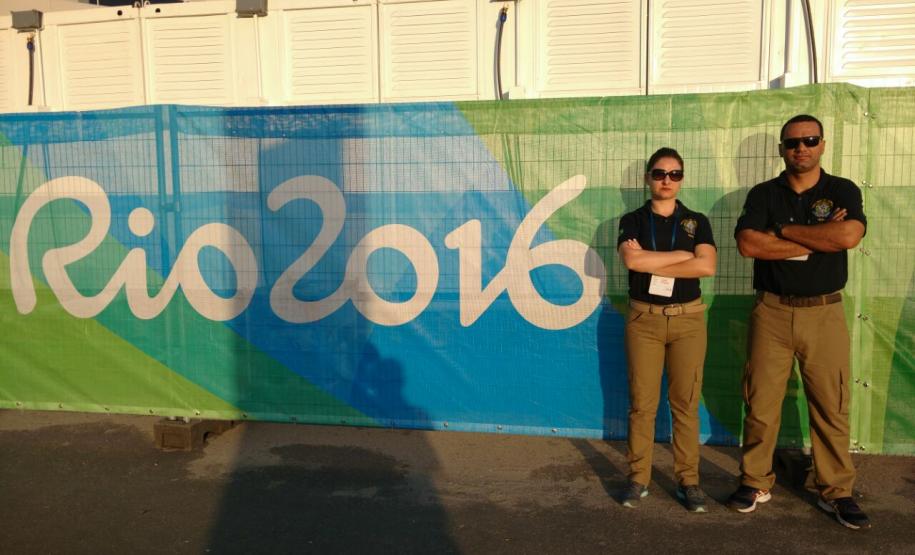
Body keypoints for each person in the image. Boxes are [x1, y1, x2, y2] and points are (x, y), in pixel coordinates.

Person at [729, 114, 870, 530]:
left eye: (809, 140)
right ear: (781, 149)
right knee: (760, 404)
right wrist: (816, 234)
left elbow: (847, 237)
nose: (801, 148)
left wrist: (786, 231)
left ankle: (837, 491)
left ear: (822, 144)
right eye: (792, 143)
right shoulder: (763, 194)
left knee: (830, 405)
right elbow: (748, 244)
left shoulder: (841, 189)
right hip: (771, 310)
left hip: (824, 312)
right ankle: (755, 481)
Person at [617, 147, 717, 512]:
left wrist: (653, 262)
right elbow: (632, 260)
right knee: (642, 405)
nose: (666, 180)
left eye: (674, 174)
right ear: (648, 177)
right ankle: (637, 478)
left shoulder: (697, 221)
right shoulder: (632, 219)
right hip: (644, 320)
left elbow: (707, 268)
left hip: (688, 320)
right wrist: (684, 257)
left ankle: (688, 480)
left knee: (685, 405)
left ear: (682, 179)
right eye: (659, 173)